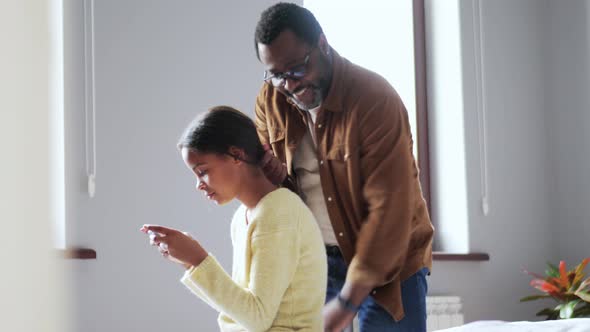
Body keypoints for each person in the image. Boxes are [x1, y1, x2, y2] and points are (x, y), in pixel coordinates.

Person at [253, 3, 435, 331]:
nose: (289, 85)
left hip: (389, 264)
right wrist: (274, 178)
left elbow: (389, 210)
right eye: (276, 74)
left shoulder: (373, 99)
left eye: (296, 69)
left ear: (322, 44)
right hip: (317, 259)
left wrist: (348, 301)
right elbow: (280, 191)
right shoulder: (271, 99)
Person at [141, 106, 327, 331]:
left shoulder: (279, 211)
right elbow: (240, 311)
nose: (198, 184)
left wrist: (199, 259)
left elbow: (257, 317)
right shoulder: (243, 217)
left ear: (236, 155)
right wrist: (191, 262)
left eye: (202, 171)